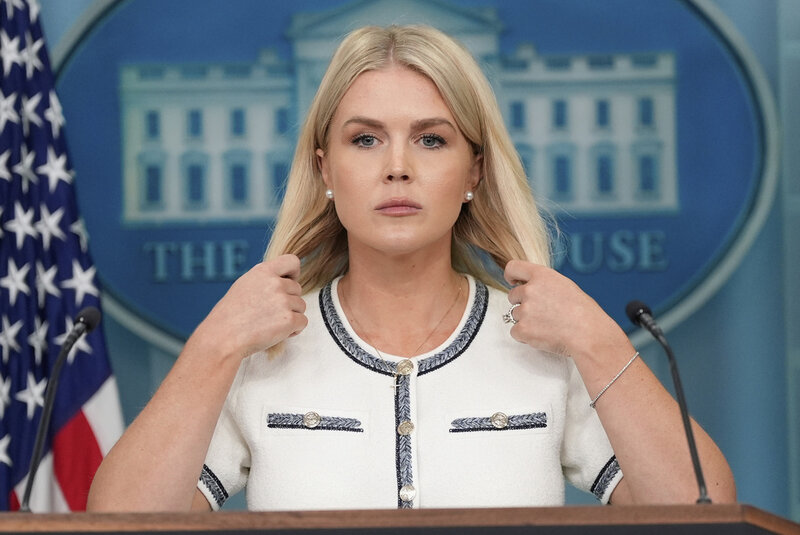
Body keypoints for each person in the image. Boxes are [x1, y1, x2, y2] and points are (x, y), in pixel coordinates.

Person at [87, 24, 735, 512]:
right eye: (365, 139)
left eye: (431, 138)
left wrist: (598, 341)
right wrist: (214, 346)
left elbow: (701, 510)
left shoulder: (548, 344)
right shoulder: (260, 349)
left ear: (474, 170)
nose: (397, 166)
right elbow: (117, 524)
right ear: (325, 169)